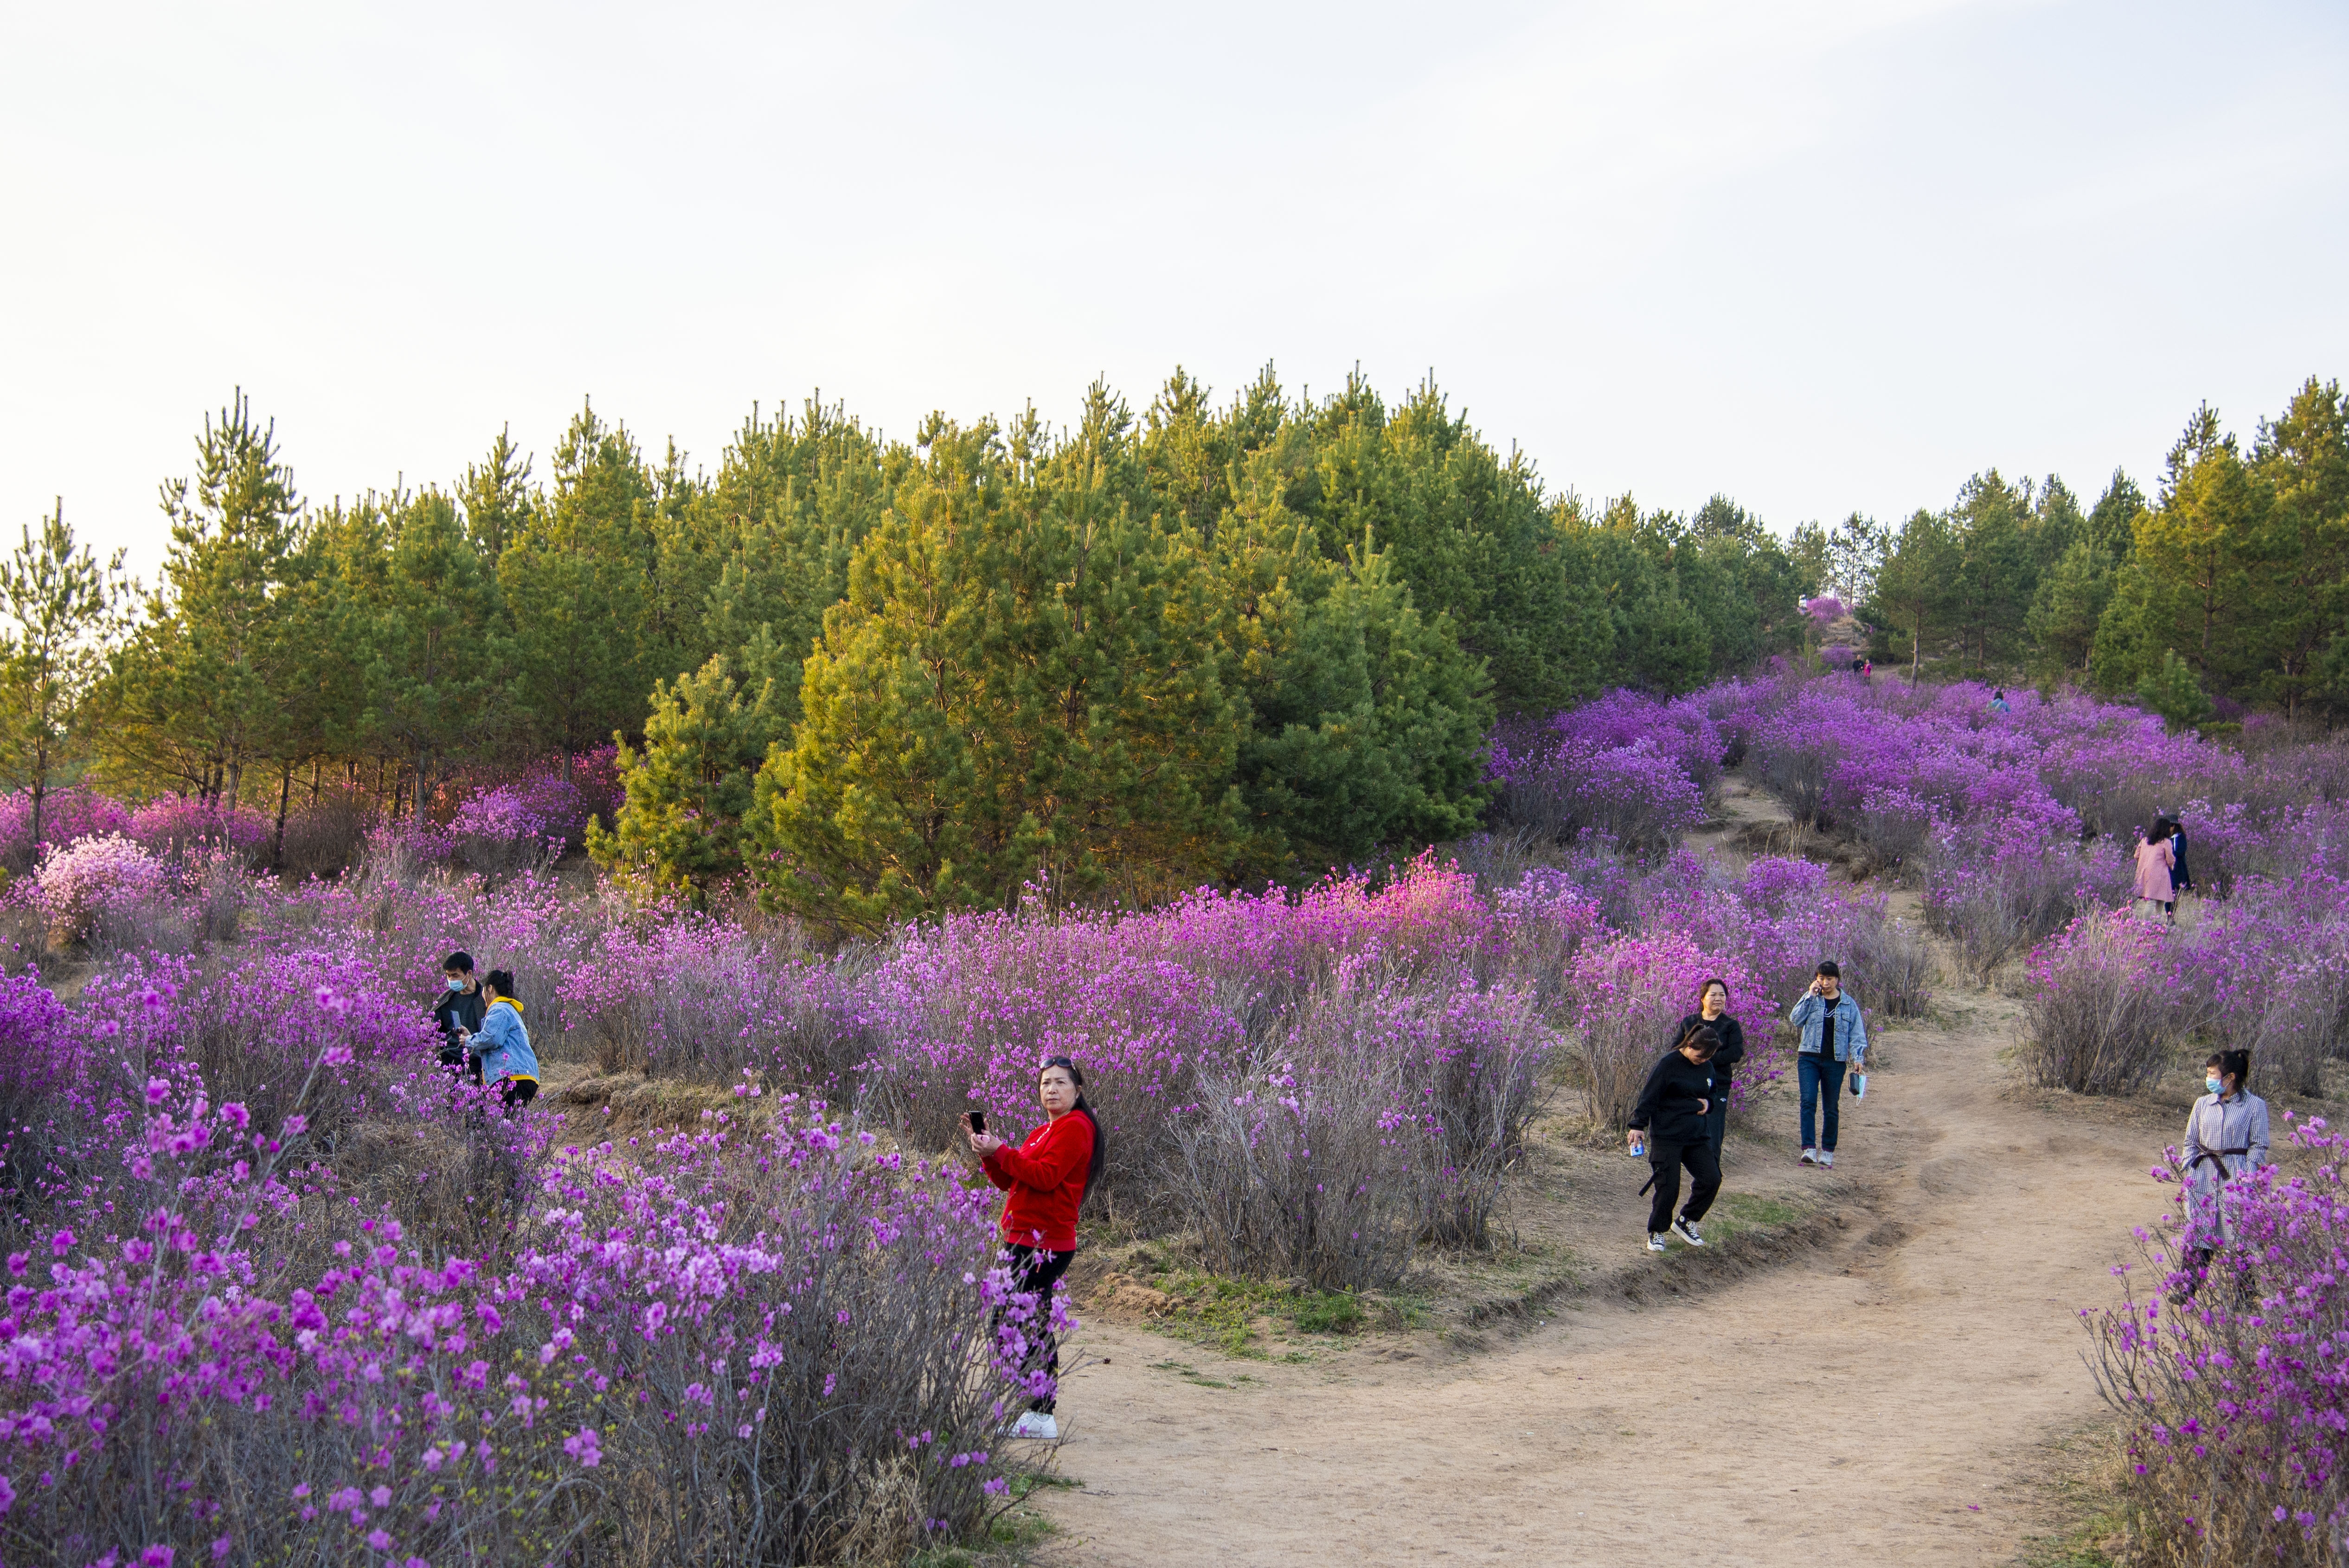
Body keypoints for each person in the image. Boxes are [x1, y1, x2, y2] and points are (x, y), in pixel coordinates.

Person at [969, 1056, 1104, 1442]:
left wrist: (1002, 1148)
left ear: (1078, 1091)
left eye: (1061, 1083)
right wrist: (989, 1154)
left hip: (1045, 1242)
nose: (1052, 1089)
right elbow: (1010, 1180)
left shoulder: (1076, 1128)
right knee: (1013, 1320)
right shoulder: (1042, 1131)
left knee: (1022, 1321)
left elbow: (1045, 1178)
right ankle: (1031, 1406)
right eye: (1046, 1083)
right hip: (1021, 1237)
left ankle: (1041, 1412)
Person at [2177, 1049, 2269, 1300]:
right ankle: (2186, 1291)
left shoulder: (2255, 1106)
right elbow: (2190, 1141)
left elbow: (2259, 1145)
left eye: (2212, 1074)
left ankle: (2244, 1297)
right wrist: (2189, 1167)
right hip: (2203, 1176)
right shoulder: (2202, 1104)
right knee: (2199, 1233)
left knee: (2238, 1237)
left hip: (2235, 1178)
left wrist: (2246, 1178)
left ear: (2229, 1077)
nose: (2208, 1079)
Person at [1626, 1024, 1723, 1253]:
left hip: (1697, 1136)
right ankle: (1657, 1232)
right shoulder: (1668, 1064)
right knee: (1669, 1188)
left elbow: (1713, 1094)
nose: (1703, 1061)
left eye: (1708, 1057)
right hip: (1667, 1136)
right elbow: (1649, 1096)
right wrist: (1637, 1126)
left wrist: (1708, 1105)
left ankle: (1686, 1220)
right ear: (1690, 1045)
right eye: (1700, 1056)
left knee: (1712, 1179)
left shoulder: (1707, 1067)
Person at [1789, 961, 1867, 1167]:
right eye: (1821, 978)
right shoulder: (1812, 999)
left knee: (1831, 1107)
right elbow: (1795, 1019)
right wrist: (1809, 996)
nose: (1825, 983)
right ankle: (1809, 1149)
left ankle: (1828, 1151)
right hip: (1809, 1058)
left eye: (1830, 979)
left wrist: (1858, 1058)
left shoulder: (1849, 1004)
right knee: (1808, 1102)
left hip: (1835, 1061)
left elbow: (1857, 1034)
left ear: (1837, 980)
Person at [1672, 978, 1746, 1165]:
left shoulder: (1730, 1025)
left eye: (1722, 995)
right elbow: (1676, 1049)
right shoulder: (1690, 1022)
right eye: (1713, 995)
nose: (1718, 999)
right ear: (1703, 998)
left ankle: (1711, 1172)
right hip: (1688, 1084)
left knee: (1714, 1129)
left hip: (1718, 1084)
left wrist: (1705, 1057)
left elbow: (1736, 1053)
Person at [463, 970, 539, 1113]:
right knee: (512, 1126)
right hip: (525, 1077)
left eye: (484, 991)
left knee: (506, 1126)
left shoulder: (499, 1008)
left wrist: (469, 1040)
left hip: (511, 1078)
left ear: (490, 988)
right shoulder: (509, 1009)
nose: (483, 996)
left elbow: (492, 1039)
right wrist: (472, 1037)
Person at [432, 951, 486, 1082]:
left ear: (469, 974)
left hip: (478, 1062)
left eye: (455, 975)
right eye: (448, 976)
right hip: (449, 1062)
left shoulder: (485, 998)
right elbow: (432, 1029)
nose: (451, 980)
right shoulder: (446, 999)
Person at [2134, 816, 2177, 924]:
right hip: (2160, 875)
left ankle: (2154, 923)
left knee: (2153, 899)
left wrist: (2144, 862)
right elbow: (2170, 859)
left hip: (2144, 873)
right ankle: (2147, 924)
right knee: (2156, 900)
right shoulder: (2166, 842)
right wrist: (2172, 866)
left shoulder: (2145, 840)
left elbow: (2136, 855)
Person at [2167, 813, 2194, 901]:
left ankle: (2171, 914)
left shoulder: (2180, 837)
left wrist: (2169, 855)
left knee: (2174, 892)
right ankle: (2170, 913)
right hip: (2168, 869)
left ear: (2174, 826)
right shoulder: (2167, 838)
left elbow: (2181, 852)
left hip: (2178, 869)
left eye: (2170, 825)